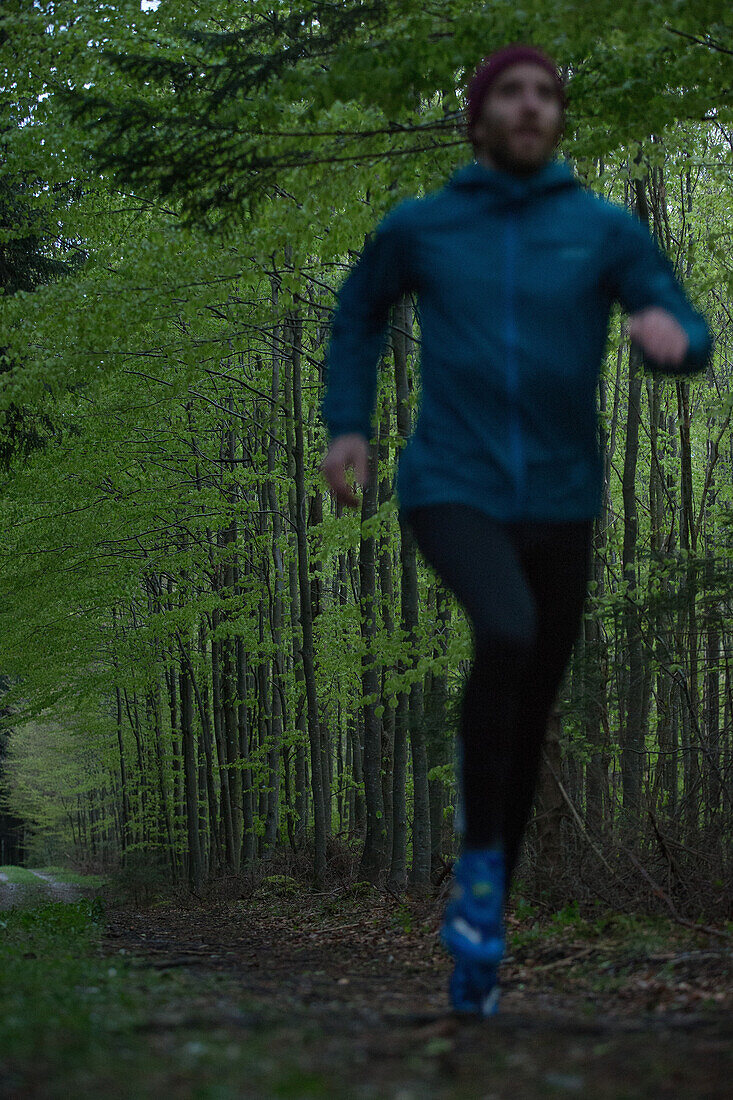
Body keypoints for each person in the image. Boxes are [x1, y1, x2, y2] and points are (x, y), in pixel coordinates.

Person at [318, 44, 712, 1017]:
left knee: (530, 706)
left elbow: (679, 319)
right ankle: (481, 876)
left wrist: (674, 342)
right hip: (450, 483)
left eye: (545, 94)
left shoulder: (602, 230)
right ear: (478, 118)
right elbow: (357, 314)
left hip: (565, 498)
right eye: (512, 93)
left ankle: (483, 911)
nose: (532, 106)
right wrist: (347, 428)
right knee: (504, 630)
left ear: (558, 118)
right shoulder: (423, 225)